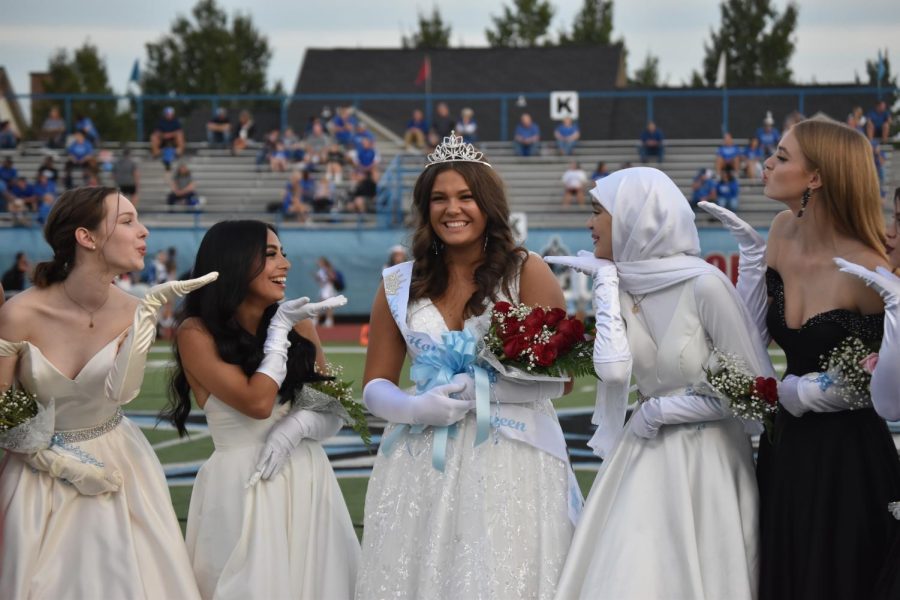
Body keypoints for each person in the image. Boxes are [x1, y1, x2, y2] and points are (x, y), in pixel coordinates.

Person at [356, 133, 579, 599]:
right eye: (438, 198)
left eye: (465, 197)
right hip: (421, 461)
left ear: (488, 204)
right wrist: (417, 409)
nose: (451, 209)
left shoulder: (525, 270)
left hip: (512, 456)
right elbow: (375, 384)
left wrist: (487, 391)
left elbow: (565, 380)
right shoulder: (397, 283)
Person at [548, 167, 773, 599]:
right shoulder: (624, 285)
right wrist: (607, 287)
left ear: (636, 216)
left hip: (707, 462)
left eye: (598, 212)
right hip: (643, 452)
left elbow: (755, 391)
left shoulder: (705, 285)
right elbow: (613, 372)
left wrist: (668, 409)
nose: (589, 224)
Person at [701, 117, 900, 599]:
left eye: (783, 157)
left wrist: (815, 393)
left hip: (847, 459)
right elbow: (747, 342)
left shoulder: (872, 265)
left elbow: (885, 380)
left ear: (816, 177)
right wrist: (750, 266)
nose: (767, 162)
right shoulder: (780, 231)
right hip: (785, 445)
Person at [0, 186, 214, 599]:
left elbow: (122, 391)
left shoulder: (136, 308)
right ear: (87, 237)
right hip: (36, 476)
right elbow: (1, 409)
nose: (144, 232)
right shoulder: (18, 314)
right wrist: (58, 461)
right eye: (129, 221)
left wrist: (146, 316)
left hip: (122, 468)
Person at [164, 220, 359, 599]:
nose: (284, 263)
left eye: (283, 253)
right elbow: (257, 402)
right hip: (242, 482)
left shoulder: (299, 325)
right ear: (234, 261)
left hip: (307, 475)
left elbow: (334, 409)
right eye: (270, 255)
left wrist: (300, 424)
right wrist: (278, 331)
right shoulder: (195, 332)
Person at [313, 257, 339, 327]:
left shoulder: (327, 269)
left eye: (319, 262)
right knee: (323, 305)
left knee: (325, 305)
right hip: (323, 289)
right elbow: (319, 280)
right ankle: (324, 320)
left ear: (323, 262)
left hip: (328, 289)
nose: (318, 263)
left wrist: (328, 277)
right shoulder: (320, 270)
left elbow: (333, 278)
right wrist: (317, 278)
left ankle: (326, 321)